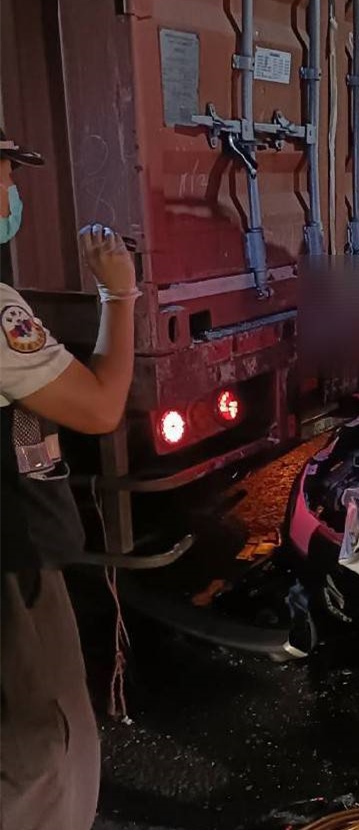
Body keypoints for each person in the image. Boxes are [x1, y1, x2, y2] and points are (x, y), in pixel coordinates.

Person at [0, 129, 138, 830]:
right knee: (48, 754)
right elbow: (101, 406)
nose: (10, 193)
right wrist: (119, 294)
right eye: (1, 175)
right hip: (11, 569)